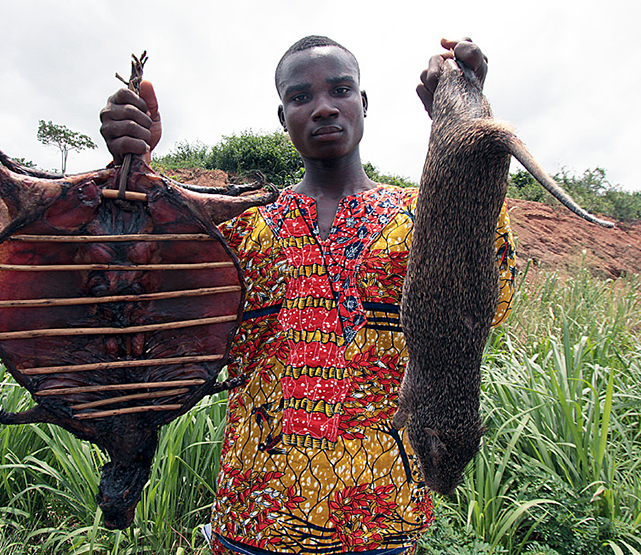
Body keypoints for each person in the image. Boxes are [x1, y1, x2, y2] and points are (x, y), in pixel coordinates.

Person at [100, 35, 516, 555]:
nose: (323, 107)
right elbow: (145, 284)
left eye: (341, 90)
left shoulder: (420, 217)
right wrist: (135, 167)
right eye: (300, 97)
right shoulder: (243, 227)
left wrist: (465, 112)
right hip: (256, 516)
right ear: (282, 116)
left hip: (383, 520)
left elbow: (492, 296)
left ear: (363, 104)